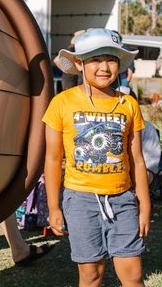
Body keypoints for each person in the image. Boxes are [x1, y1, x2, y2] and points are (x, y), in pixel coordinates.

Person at [45, 28, 150, 287]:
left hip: (123, 200)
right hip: (79, 200)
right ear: (79, 63)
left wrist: (145, 206)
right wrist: (54, 207)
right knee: (91, 274)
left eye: (111, 59)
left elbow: (137, 159)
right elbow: (53, 159)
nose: (104, 67)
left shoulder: (128, 105)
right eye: (95, 59)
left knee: (133, 274)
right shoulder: (61, 103)